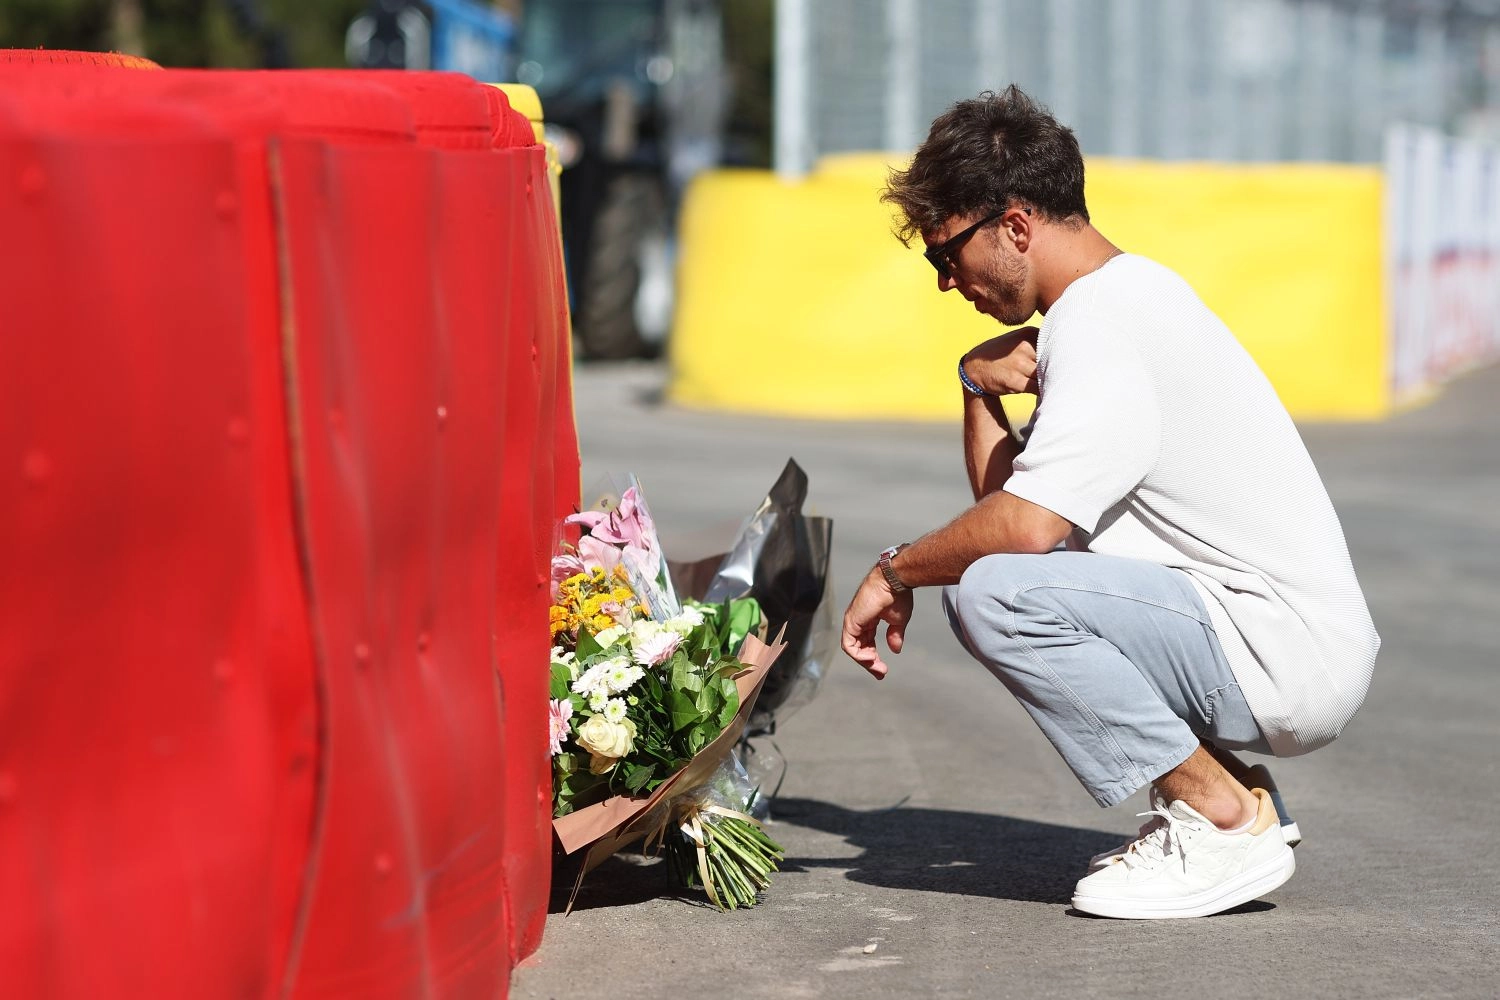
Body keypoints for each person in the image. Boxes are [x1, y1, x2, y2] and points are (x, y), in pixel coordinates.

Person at [840, 85, 1379, 920]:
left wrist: (896, 569)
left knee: (991, 594)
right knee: (998, 583)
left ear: (1015, 225)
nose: (948, 283)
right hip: (1268, 641)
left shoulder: (1103, 323)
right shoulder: (1112, 305)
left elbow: (1018, 535)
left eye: (945, 254)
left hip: (1282, 654)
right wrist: (975, 387)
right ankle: (1233, 790)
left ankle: (1222, 818)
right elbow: (1013, 510)